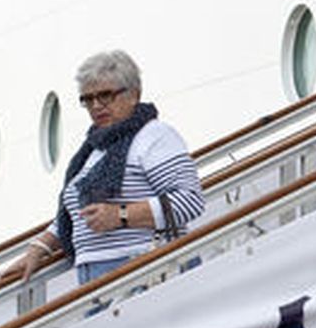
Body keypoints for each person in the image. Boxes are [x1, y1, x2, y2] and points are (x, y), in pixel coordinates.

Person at [13, 50, 204, 286]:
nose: (96, 106)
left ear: (134, 94)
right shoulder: (93, 148)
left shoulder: (154, 136)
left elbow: (190, 200)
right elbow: (76, 211)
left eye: (105, 96)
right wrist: (41, 245)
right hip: (96, 276)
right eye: (88, 99)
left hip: (147, 271)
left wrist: (120, 215)